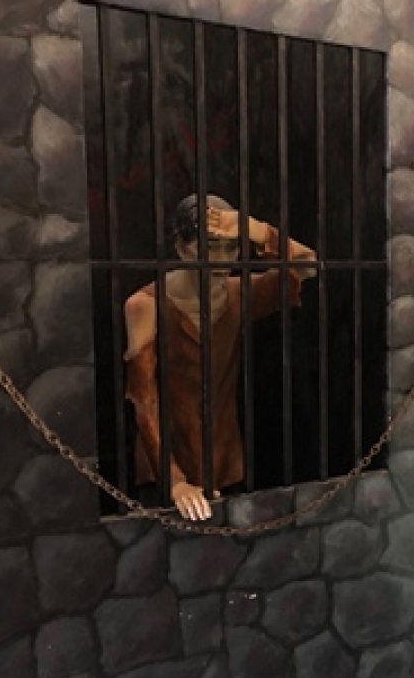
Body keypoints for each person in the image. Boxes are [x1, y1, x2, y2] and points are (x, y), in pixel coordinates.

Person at [123, 194, 317, 521]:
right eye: (211, 247)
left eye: (231, 247)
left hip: (225, 463)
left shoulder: (238, 294)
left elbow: (307, 265)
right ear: (182, 248)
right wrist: (174, 482)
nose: (222, 260)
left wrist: (254, 229)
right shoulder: (146, 306)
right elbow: (144, 400)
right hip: (164, 468)